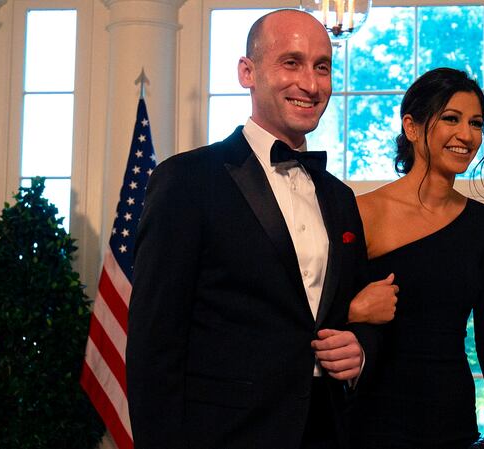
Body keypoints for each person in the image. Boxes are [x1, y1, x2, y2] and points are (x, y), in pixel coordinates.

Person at [126, 9, 397, 449]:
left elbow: (348, 312)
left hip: (327, 433)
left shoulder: (340, 198)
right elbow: (154, 344)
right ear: (247, 72)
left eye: (322, 67)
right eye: (291, 62)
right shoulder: (187, 180)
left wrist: (361, 346)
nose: (310, 84)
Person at [348, 68, 484, 449]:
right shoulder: (362, 213)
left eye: (475, 123)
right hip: (372, 421)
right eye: (451, 118)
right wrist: (353, 310)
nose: (467, 134)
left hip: (452, 420)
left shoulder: (483, 225)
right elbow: (317, 315)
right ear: (411, 127)